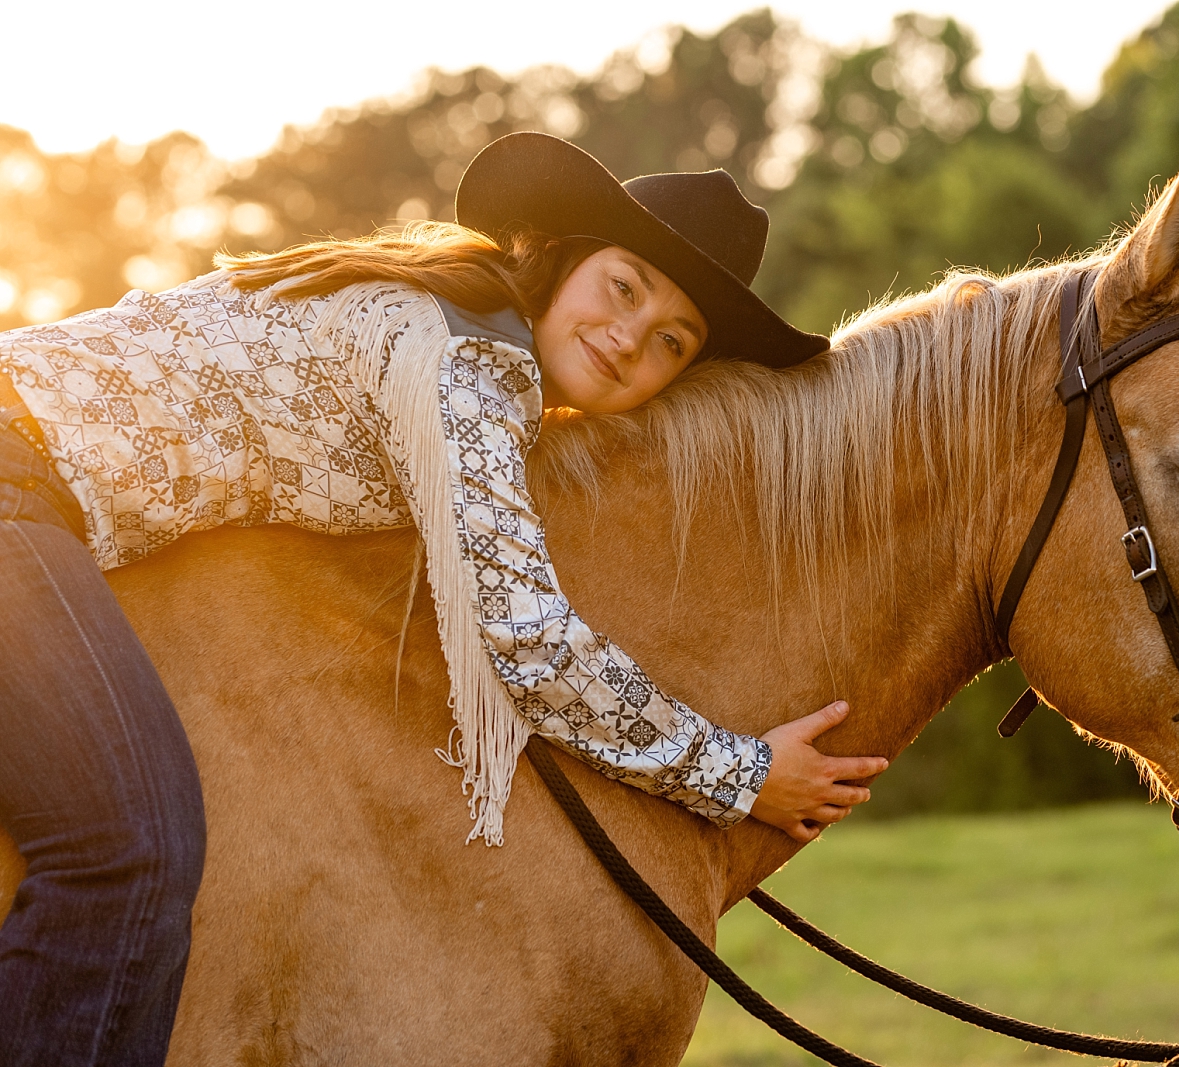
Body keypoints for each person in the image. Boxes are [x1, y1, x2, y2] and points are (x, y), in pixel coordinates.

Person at [0, 132, 890, 1067]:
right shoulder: (461, 363)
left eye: (674, 339)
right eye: (625, 287)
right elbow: (526, 638)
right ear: (562, 254)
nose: (632, 338)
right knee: (131, 852)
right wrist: (741, 773)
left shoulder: (439, 316)